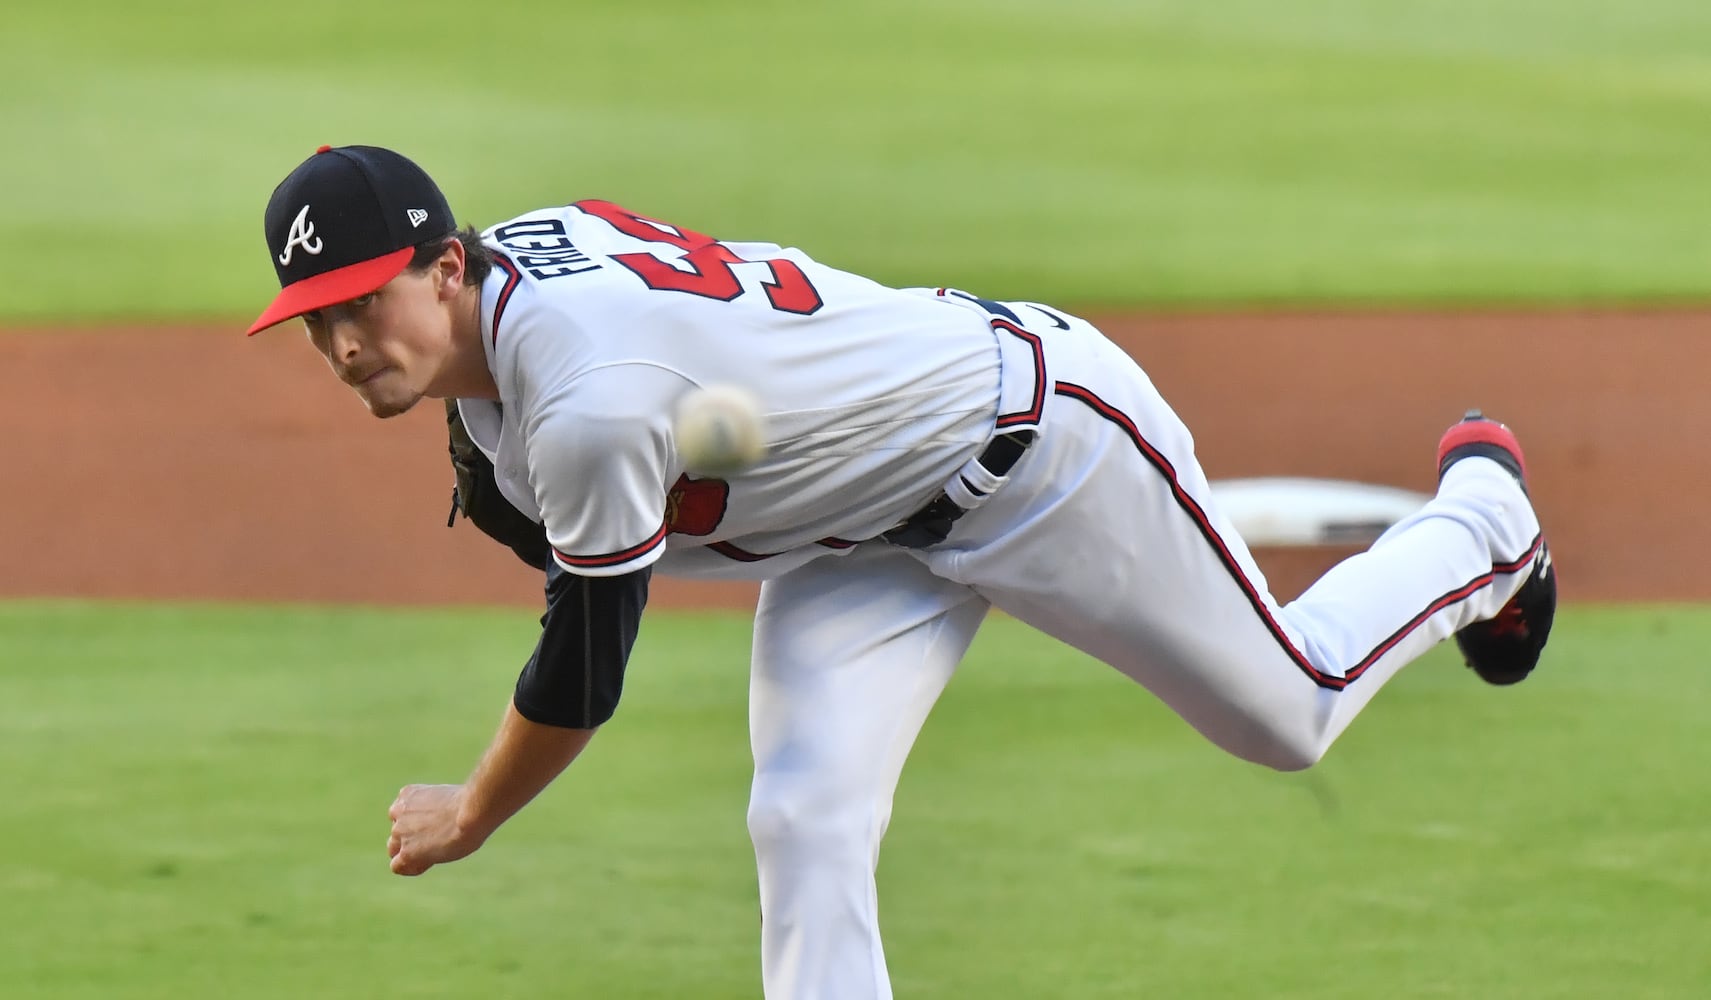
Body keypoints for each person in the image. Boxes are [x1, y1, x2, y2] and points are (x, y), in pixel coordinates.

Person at [248, 145, 1555, 999]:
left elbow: (583, 672)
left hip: (1043, 448)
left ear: (448, 267)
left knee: (1293, 709)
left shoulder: (588, 403)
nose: (349, 343)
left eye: (368, 302)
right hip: (864, 532)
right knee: (803, 816)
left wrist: (471, 811)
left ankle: (1486, 519)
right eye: (320, 321)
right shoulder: (520, 303)